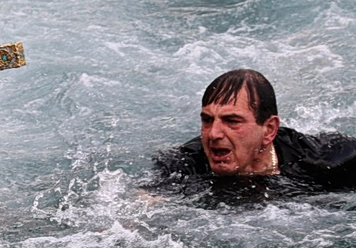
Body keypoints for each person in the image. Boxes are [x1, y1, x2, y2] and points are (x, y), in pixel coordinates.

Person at [152, 68, 356, 193]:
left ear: (269, 129)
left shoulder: (323, 160)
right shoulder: (183, 167)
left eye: (232, 121)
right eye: (207, 120)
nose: (213, 134)